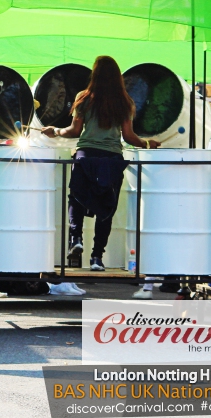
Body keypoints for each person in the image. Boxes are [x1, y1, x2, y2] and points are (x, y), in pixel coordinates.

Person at [42, 56, 159, 273]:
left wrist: (56, 130)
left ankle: (76, 238)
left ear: (94, 74)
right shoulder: (125, 102)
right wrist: (147, 144)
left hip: (86, 156)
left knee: (76, 198)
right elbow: (129, 136)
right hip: (112, 160)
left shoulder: (84, 98)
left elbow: (74, 132)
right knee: (106, 207)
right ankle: (97, 258)